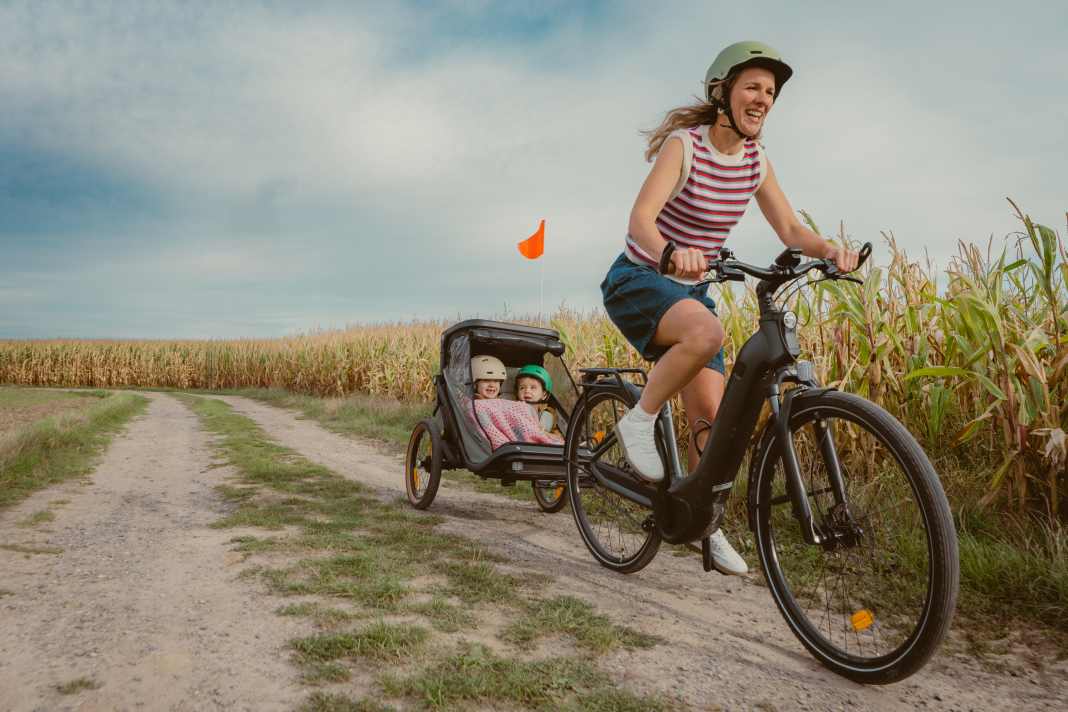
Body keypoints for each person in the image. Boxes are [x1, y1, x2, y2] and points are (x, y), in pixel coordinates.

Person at [600, 41, 861, 575]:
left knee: (711, 425)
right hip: (638, 278)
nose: (763, 98)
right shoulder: (686, 146)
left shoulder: (754, 162)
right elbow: (640, 220)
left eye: (770, 91)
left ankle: (704, 526)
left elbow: (789, 229)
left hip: (690, 292)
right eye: (752, 87)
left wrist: (829, 248)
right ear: (722, 92)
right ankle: (639, 420)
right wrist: (671, 252)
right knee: (709, 332)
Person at [515, 364, 562, 438]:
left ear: (544, 395)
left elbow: (559, 438)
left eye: (533, 387)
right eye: (522, 388)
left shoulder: (547, 415)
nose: (527, 390)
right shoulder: (513, 410)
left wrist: (543, 433)